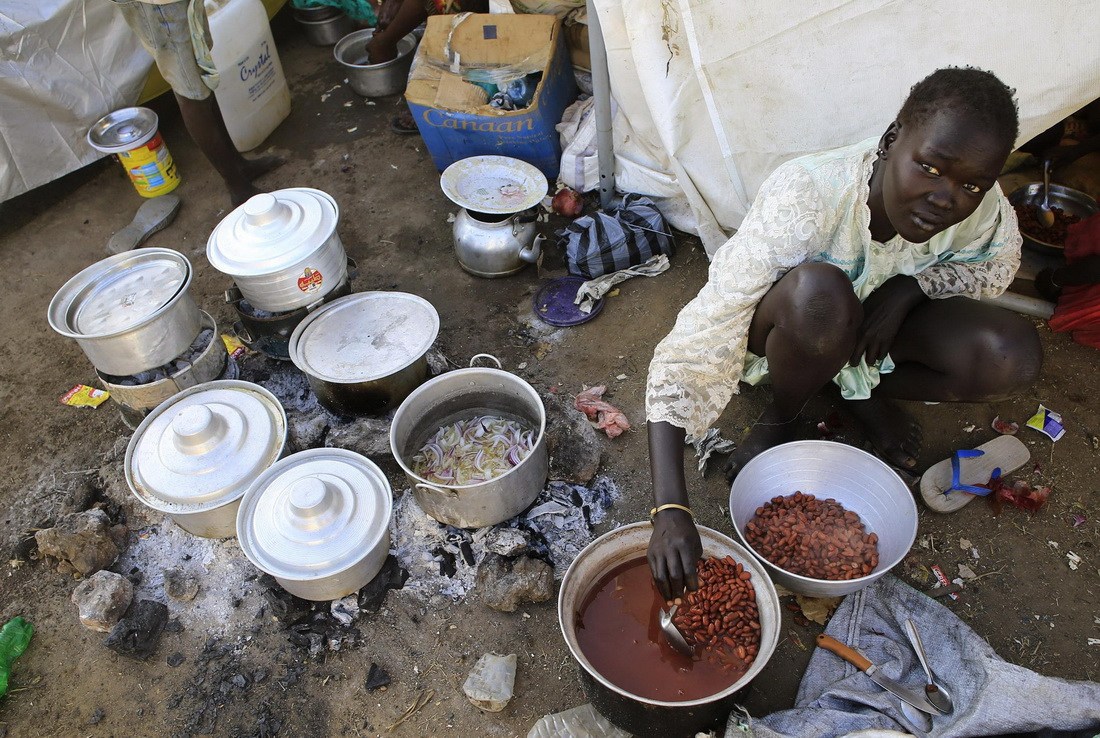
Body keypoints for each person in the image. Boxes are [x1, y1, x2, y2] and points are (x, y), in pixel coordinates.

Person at [645, 67, 1043, 599]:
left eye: (971, 183)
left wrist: (909, 290)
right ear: (891, 139)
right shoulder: (809, 193)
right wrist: (670, 507)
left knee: (1011, 356)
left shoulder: (980, 210)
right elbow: (698, 339)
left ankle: (852, 388)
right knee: (820, 298)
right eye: (929, 167)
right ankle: (781, 415)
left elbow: (995, 265)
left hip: (869, 338)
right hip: (793, 329)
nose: (946, 198)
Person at [110, 0, 282, 206]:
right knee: (190, 90)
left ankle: (238, 166)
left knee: (200, 75)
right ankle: (238, 187)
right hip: (158, 5)